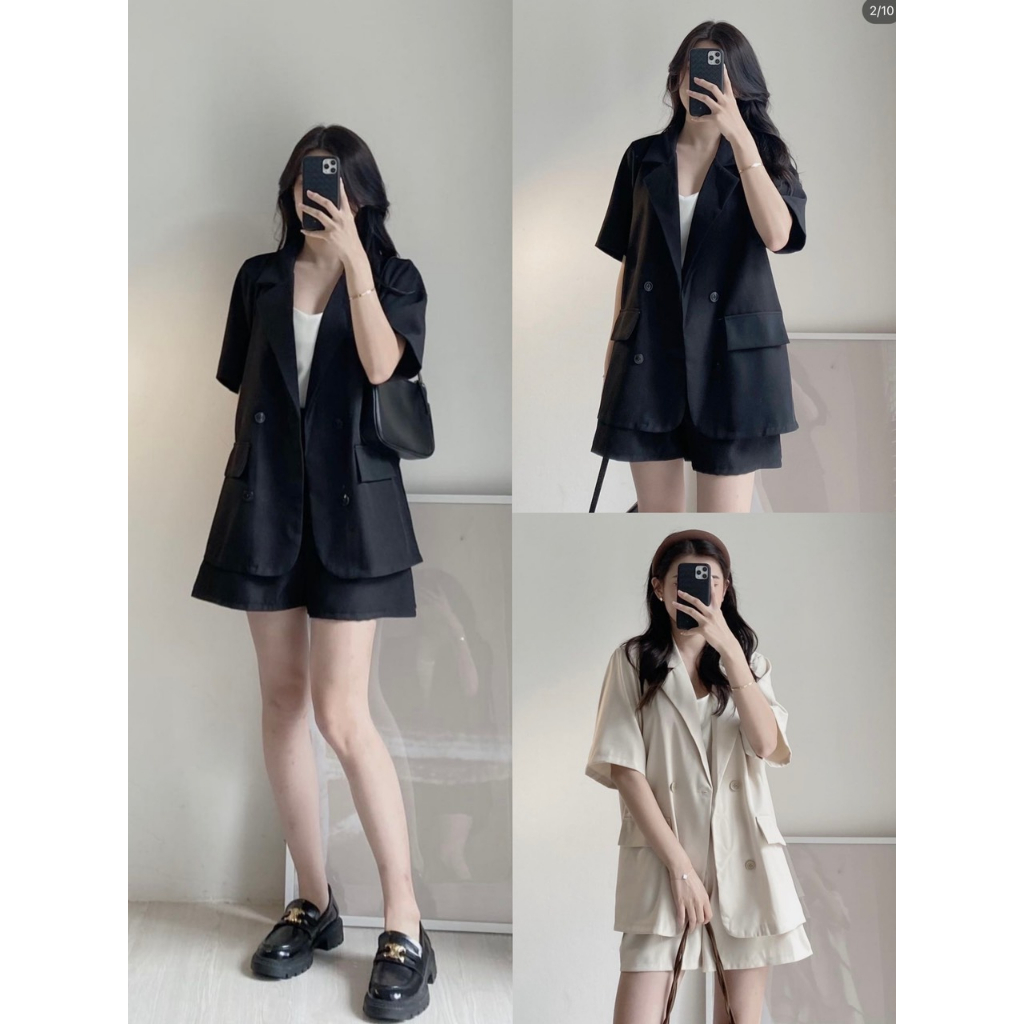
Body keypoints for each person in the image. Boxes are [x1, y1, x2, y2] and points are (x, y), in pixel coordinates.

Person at [191, 124, 436, 1021]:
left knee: (342, 713)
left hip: (355, 514)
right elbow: (246, 385)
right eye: (303, 177)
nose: (314, 191)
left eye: (330, 178)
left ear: (361, 191)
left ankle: (404, 920)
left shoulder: (396, 279)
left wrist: (354, 265)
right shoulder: (258, 279)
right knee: (282, 703)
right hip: (266, 504)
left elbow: (381, 365)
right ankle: (313, 900)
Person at [586, 530, 811, 1024]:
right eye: (683, 580)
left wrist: (730, 652)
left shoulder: (748, 663)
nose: (697, 591)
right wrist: (681, 869)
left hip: (745, 860)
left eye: (711, 581)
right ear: (658, 587)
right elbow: (626, 771)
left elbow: (766, 745)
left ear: (725, 588)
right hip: (664, 860)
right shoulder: (633, 662)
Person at [592, 21, 808, 513]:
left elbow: (778, 236)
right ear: (677, 77)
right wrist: (613, 347)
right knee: (657, 520)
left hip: (735, 361)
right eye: (694, 67)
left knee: (725, 523)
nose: (701, 80)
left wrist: (741, 139)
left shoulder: (764, 157)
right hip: (648, 353)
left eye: (717, 70)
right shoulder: (642, 158)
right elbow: (630, 262)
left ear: (740, 84)